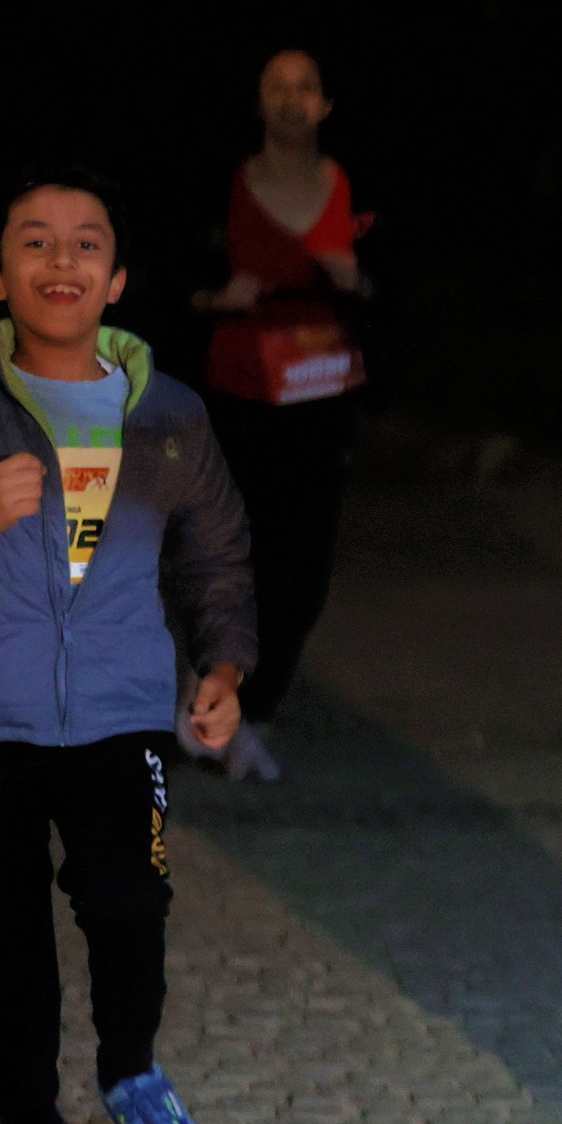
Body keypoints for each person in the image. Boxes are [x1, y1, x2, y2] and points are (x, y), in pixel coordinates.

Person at [0, 168, 256, 1124]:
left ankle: (133, 1075)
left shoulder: (170, 417)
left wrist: (225, 666)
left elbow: (216, 557)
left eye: (85, 243)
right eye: (34, 241)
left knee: (128, 900)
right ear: (1, 276)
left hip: (121, 715)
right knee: (7, 945)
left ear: (115, 280)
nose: (61, 260)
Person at [192, 49, 371, 783]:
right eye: (277, 87)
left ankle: (252, 711)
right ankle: (214, 707)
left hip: (322, 397)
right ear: (259, 103)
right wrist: (215, 298)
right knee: (229, 554)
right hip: (237, 395)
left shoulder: (355, 188)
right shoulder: (224, 185)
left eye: (306, 87)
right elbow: (167, 281)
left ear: (326, 104)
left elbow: (401, 298)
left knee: (301, 570)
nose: (293, 99)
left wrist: (358, 283)